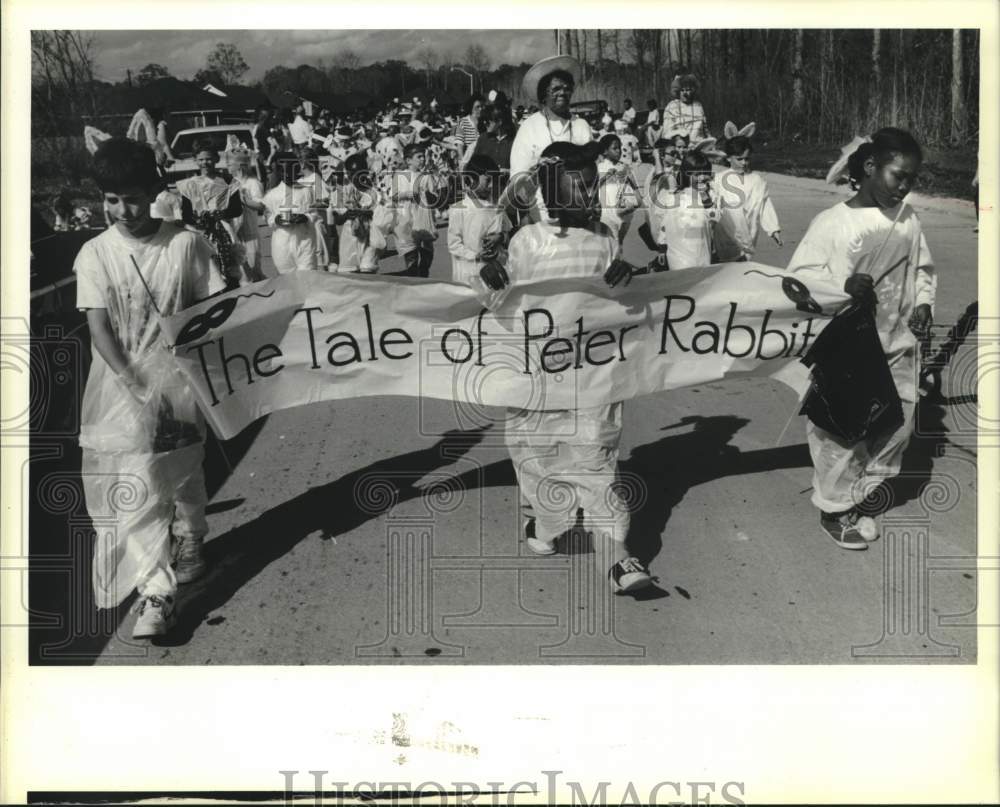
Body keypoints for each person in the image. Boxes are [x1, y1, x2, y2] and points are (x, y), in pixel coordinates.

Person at [481, 141, 653, 593]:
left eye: (593, 184)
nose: (590, 194)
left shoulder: (605, 238)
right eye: (579, 186)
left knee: (597, 456)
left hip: (593, 374)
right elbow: (502, 308)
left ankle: (617, 558)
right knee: (537, 455)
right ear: (553, 189)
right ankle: (543, 522)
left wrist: (625, 278)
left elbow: (616, 305)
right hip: (538, 376)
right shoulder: (527, 242)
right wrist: (491, 278)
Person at [74, 137, 220, 638]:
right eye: (111, 199)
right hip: (120, 384)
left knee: (184, 467)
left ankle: (192, 533)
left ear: (154, 192)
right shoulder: (95, 253)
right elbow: (99, 330)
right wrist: (137, 387)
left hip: (180, 376)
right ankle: (156, 592)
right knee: (137, 485)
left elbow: (212, 310)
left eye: (133, 198)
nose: (123, 211)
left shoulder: (184, 244)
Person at [787, 127, 935, 549]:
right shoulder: (832, 223)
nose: (904, 187)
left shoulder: (908, 220)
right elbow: (799, 280)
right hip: (850, 346)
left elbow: (922, 270)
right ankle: (834, 510)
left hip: (898, 342)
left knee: (898, 425)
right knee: (843, 430)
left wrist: (923, 303)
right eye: (897, 176)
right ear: (870, 167)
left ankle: (858, 494)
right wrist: (843, 286)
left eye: (911, 179)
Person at [507, 55, 593, 223]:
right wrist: (525, 221)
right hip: (541, 219)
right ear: (543, 94)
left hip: (578, 217)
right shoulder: (529, 127)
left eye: (567, 88)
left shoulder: (581, 126)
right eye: (556, 89)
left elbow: (591, 174)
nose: (562, 93)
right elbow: (518, 179)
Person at [175, 141, 245, 286]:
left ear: (216, 159)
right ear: (195, 160)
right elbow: (186, 214)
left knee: (229, 270)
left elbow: (237, 209)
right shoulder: (189, 185)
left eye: (208, 159)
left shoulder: (228, 181)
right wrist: (198, 220)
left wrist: (221, 214)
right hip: (200, 232)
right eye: (201, 159)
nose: (205, 163)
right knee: (206, 271)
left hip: (224, 231)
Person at [712, 121, 782, 262]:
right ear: (729, 158)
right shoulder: (719, 179)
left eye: (747, 159)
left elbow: (764, 205)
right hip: (726, 235)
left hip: (748, 233)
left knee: (742, 265)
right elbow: (712, 205)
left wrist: (773, 229)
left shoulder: (757, 181)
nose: (744, 163)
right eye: (739, 159)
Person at [639, 148, 720, 271]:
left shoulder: (711, 196)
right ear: (686, 174)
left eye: (705, 173)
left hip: (701, 251)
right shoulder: (673, 196)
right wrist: (662, 248)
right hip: (678, 254)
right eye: (697, 174)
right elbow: (665, 224)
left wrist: (704, 196)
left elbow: (715, 218)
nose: (702, 178)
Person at [447, 154, 511, 287]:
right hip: (469, 276)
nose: (491, 185)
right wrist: (476, 255)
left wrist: (500, 237)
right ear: (471, 180)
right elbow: (454, 245)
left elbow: (508, 233)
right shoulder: (459, 210)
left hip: (498, 272)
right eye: (487, 181)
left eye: (494, 181)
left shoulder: (497, 207)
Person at [261, 148, 327, 273]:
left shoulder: (306, 191)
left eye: (289, 169)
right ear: (278, 172)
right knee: (287, 279)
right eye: (282, 170)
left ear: (296, 169)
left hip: (305, 240)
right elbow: (268, 215)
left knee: (307, 276)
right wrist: (276, 219)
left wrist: (305, 217)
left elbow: (314, 213)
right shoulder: (272, 195)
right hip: (282, 243)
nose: (286, 174)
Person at [390, 142, 442, 278]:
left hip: (424, 219)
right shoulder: (400, 175)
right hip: (406, 219)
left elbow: (434, 196)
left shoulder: (426, 176)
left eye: (423, 156)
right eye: (419, 157)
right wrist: (408, 194)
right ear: (408, 160)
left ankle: (423, 275)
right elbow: (393, 195)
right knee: (411, 254)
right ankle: (413, 278)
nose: (422, 159)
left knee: (426, 254)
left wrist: (429, 193)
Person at [227, 144, 269, 280]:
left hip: (250, 233)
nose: (227, 167)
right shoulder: (232, 182)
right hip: (236, 233)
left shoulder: (253, 183)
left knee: (253, 270)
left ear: (239, 166)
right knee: (242, 274)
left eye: (229, 164)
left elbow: (261, 206)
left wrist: (242, 199)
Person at [596, 133, 641, 245]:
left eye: (619, 148)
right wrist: (606, 176)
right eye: (615, 148)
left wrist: (632, 181)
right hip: (608, 215)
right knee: (612, 244)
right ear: (605, 151)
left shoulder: (625, 167)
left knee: (619, 243)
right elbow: (592, 188)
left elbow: (635, 189)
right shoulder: (600, 167)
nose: (619, 151)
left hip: (626, 212)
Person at [470, 103, 516, 174]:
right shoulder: (483, 138)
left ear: (499, 121)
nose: (484, 122)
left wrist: (506, 171)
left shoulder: (514, 141)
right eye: (484, 120)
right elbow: (473, 164)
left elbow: (520, 168)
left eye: (488, 120)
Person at [663, 74, 709, 141]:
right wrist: (677, 138)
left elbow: (705, 130)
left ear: (693, 91)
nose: (685, 93)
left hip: (698, 142)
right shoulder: (671, 106)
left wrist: (709, 140)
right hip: (679, 143)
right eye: (682, 90)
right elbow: (667, 131)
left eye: (688, 90)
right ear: (678, 91)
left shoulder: (698, 106)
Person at [455, 94, 484, 167]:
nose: (480, 109)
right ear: (471, 108)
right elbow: (460, 146)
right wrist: (464, 164)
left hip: (482, 163)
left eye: (482, 106)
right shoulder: (463, 122)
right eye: (477, 107)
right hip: (467, 163)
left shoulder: (484, 123)